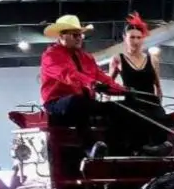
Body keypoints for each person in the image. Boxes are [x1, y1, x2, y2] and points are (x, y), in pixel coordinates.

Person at [39, 14, 130, 159]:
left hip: (83, 101)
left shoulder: (86, 57)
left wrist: (123, 90)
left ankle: (120, 148)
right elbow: (68, 74)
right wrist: (92, 83)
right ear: (62, 36)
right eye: (75, 35)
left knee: (116, 107)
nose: (79, 38)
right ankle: (88, 147)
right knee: (77, 102)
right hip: (56, 103)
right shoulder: (50, 56)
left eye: (80, 35)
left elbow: (102, 77)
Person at [107, 12, 174, 155]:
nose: (136, 41)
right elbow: (109, 84)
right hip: (131, 101)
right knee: (132, 117)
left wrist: (158, 103)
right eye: (132, 37)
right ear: (125, 38)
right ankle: (137, 148)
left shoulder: (153, 59)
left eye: (139, 37)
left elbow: (158, 86)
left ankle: (158, 146)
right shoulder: (117, 59)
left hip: (150, 101)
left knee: (160, 117)